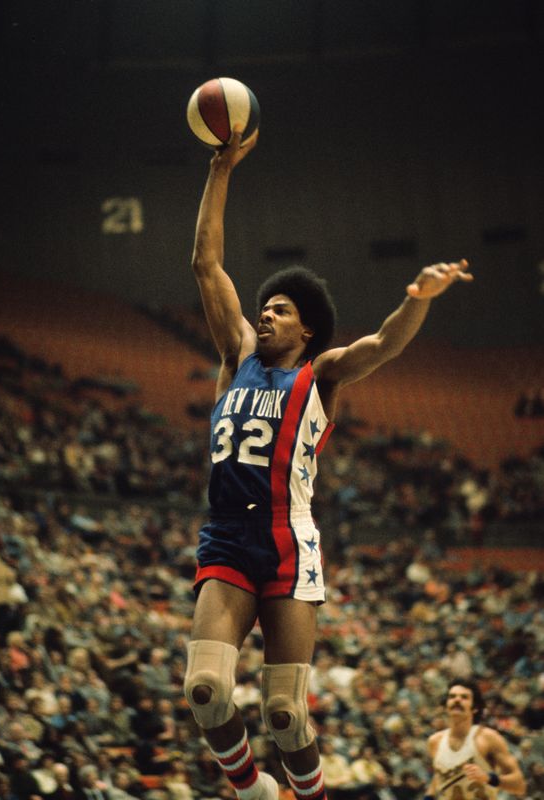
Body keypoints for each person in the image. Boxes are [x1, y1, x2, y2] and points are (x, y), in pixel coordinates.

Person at [183, 125, 474, 800]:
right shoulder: (235, 358)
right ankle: (252, 787)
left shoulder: (323, 375)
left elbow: (382, 345)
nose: (264, 314)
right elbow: (205, 264)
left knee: (285, 714)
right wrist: (220, 170)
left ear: (306, 327)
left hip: (289, 539)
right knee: (204, 690)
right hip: (226, 534)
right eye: (263, 307)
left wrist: (416, 300)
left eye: (279, 310)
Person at [426, 681, 526, 800]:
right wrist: (428, 797)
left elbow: (519, 785)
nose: (457, 700)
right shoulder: (435, 741)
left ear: (475, 708)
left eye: (464, 697)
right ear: (446, 705)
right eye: (452, 696)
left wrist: (489, 778)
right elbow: (439, 776)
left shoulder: (487, 738)